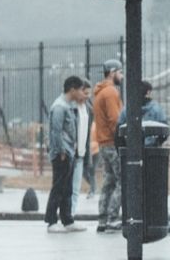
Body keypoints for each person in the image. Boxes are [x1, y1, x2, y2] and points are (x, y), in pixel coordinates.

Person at [45, 76, 88, 233]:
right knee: (58, 187)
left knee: (67, 188)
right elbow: (55, 132)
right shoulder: (59, 107)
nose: (82, 94)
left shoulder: (67, 106)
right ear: (72, 89)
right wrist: (61, 151)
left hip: (69, 153)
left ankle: (67, 220)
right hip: (62, 154)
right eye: (80, 90)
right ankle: (51, 221)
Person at [93, 59, 124, 232]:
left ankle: (102, 219)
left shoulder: (99, 93)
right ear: (112, 72)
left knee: (108, 182)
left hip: (103, 143)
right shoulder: (111, 92)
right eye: (120, 72)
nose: (122, 76)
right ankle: (113, 218)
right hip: (113, 143)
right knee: (122, 180)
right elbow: (115, 120)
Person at [116, 80, 169, 146]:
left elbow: (118, 130)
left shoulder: (127, 109)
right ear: (148, 92)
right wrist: (157, 143)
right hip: (152, 148)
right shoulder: (157, 109)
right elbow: (165, 131)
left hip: (132, 148)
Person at [71, 79, 94, 217]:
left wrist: (87, 155)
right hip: (70, 153)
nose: (87, 96)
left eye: (89, 93)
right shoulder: (71, 107)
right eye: (85, 93)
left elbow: (87, 134)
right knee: (66, 188)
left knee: (75, 189)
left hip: (81, 153)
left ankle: (70, 215)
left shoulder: (89, 109)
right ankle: (64, 215)